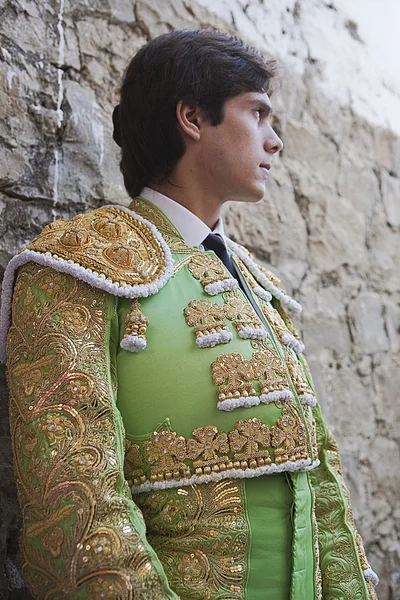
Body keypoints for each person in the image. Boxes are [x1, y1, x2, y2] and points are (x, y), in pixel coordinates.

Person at [0, 29, 379, 600]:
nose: (275, 142)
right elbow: (75, 514)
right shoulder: (75, 268)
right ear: (193, 119)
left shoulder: (258, 284)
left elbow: (321, 488)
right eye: (258, 114)